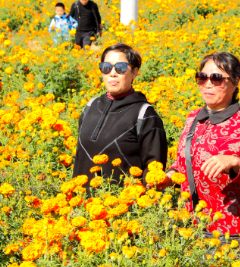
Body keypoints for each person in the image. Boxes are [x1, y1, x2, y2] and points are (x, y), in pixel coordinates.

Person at [158, 52, 240, 237]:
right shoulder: (193, 118)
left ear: (235, 82)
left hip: (228, 230)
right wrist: (167, 178)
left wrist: (235, 163)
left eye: (217, 78)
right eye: (202, 78)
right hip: (189, 227)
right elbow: (182, 164)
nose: (208, 84)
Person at [72, 43, 168, 189]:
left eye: (120, 68)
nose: (112, 73)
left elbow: (153, 172)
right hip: (83, 207)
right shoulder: (91, 107)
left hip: (123, 207)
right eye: (106, 67)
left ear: (134, 72)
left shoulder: (144, 114)